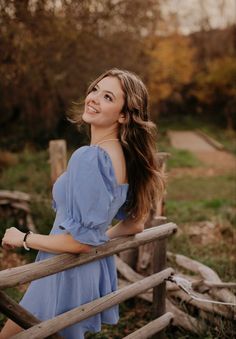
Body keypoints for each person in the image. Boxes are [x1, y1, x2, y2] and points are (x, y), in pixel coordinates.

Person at [0, 68, 165, 338]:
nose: (94, 98)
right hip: (84, 270)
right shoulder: (122, 157)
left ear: (124, 115)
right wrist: (97, 237)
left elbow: (80, 242)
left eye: (108, 97)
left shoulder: (90, 158)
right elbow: (134, 223)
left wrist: (24, 238)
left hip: (64, 270)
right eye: (95, 89)